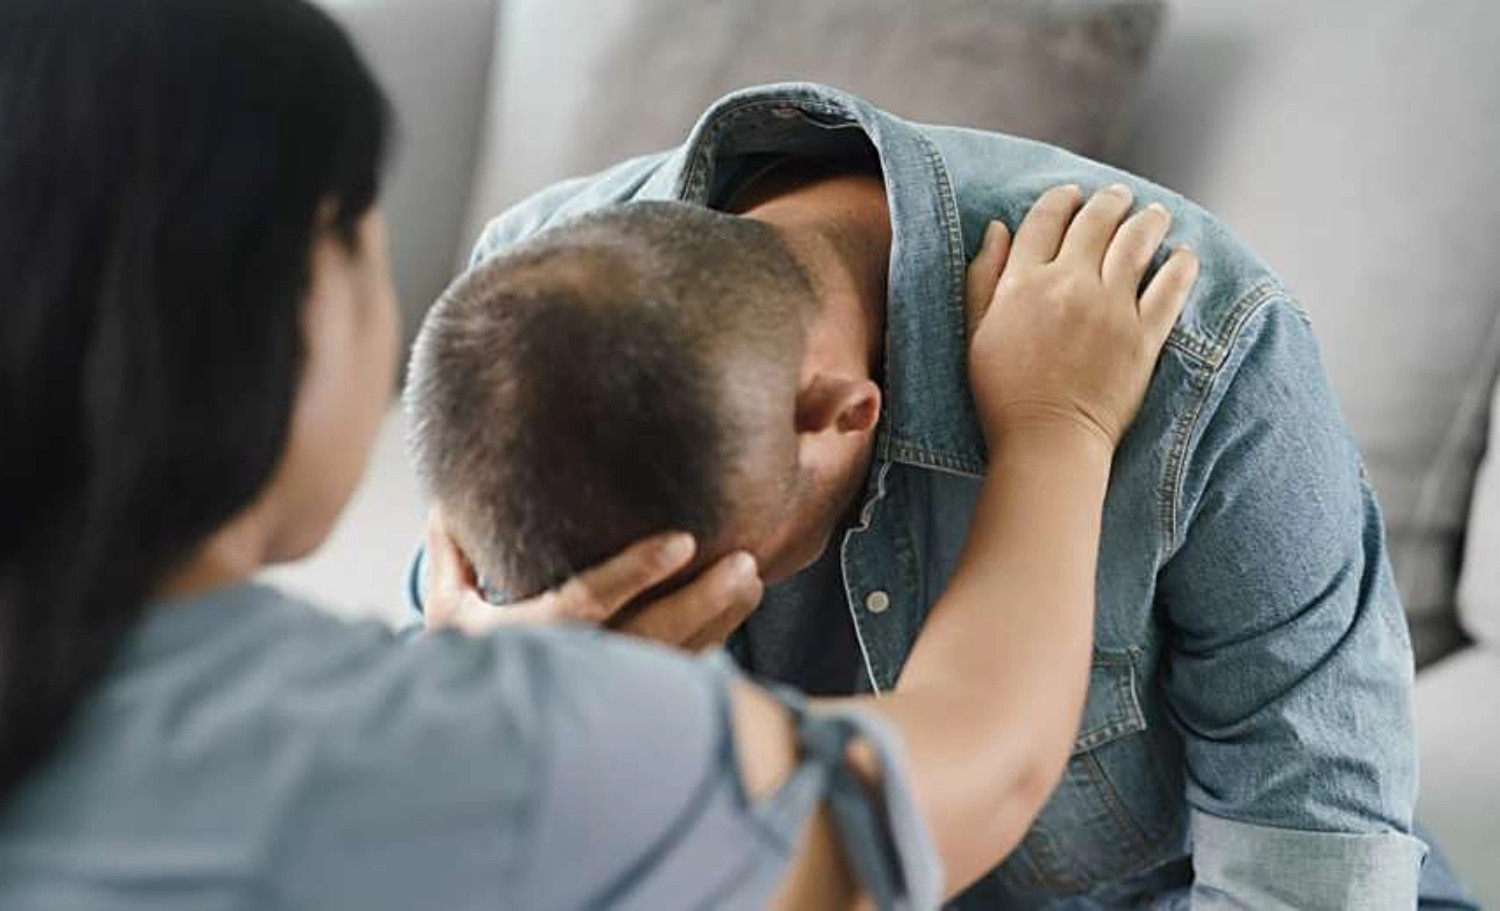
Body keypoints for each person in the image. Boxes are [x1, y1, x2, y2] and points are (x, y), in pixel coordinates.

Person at [0, 1, 1193, 908]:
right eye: (364, 234)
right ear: (286, 298)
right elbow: (980, 766)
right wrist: (1058, 425)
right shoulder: (489, 759)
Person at [406, 85, 1478, 909]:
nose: (687, 616)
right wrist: (509, 691)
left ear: (840, 415)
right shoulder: (516, 329)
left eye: (720, 581)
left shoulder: (1193, 344)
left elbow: (1309, 862)